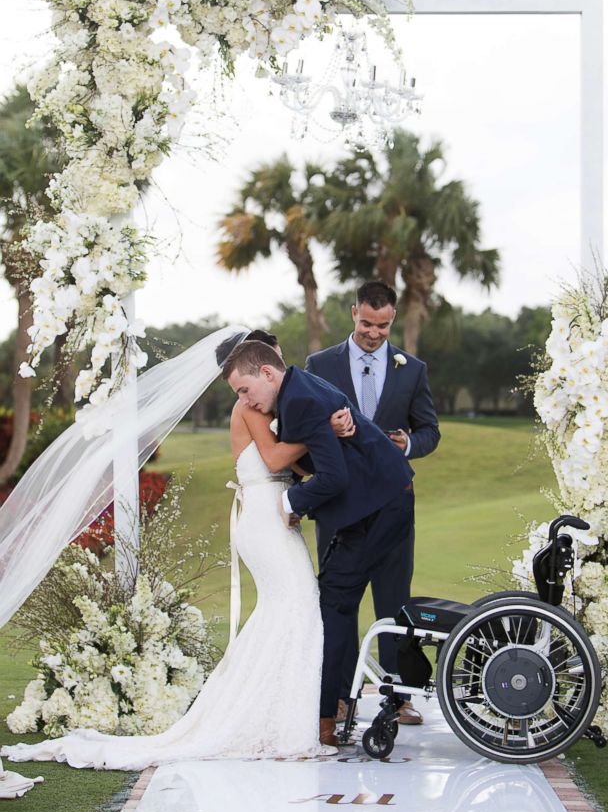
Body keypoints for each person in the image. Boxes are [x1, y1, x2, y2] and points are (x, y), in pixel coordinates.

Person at [1, 329, 349, 769]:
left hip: (272, 509)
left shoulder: (275, 402)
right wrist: (326, 429)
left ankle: (274, 716)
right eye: (269, 357)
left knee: (291, 609)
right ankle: (270, 721)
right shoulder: (250, 405)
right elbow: (276, 459)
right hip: (264, 515)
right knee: (296, 606)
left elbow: (289, 461)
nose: (278, 363)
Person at [222, 338, 415, 748]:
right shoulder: (298, 392)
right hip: (372, 504)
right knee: (327, 602)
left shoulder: (300, 400)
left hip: (374, 509)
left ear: (268, 373)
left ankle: (327, 714)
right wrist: (325, 434)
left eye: (245, 390)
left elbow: (333, 476)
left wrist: (292, 501)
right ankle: (328, 710)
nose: (245, 401)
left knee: (330, 603)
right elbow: (313, 458)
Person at [306, 281, 440, 725]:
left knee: (394, 601)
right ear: (353, 313)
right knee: (338, 604)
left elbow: (430, 432)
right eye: (367, 323)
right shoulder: (319, 365)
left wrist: (407, 445)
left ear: (393, 318)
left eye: (383, 325)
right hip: (341, 506)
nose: (375, 333)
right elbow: (305, 431)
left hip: (393, 507)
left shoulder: (413, 368)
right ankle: (339, 696)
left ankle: (398, 696)